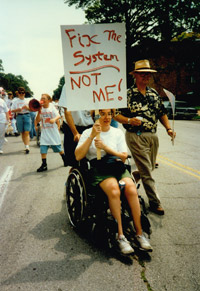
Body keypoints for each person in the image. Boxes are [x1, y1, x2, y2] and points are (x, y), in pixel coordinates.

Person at [75, 109, 152, 255]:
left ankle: (139, 234)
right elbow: (78, 156)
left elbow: (123, 156)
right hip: (98, 168)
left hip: (116, 165)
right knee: (114, 189)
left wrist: (105, 148)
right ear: (95, 116)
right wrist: (91, 136)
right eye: (102, 114)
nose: (107, 117)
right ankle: (120, 236)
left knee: (131, 188)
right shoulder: (86, 132)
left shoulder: (117, 132)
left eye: (109, 114)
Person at [115, 59, 176, 215]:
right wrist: (129, 120)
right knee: (147, 172)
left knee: (148, 168)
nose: (145, 77)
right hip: (135, 135)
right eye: (142, 74)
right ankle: (155, 203)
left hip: (152, 136)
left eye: (148, 74)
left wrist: (168, 128)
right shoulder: (127, 94)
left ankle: (129, 180)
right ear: (135, 75)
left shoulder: (153, 93)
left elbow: (162, 113)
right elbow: (115, 114)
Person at [58, 84, 94, 167]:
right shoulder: (69, 84)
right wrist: (75, 133)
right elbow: (67, 111)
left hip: (90, 126)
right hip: (73, 127)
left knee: (93, 158)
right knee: (74, 162)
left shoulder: (94, 81)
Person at [35, 93, 66, 172]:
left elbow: (58, 116)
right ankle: (44, 165)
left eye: (44, 98)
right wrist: (39, 112)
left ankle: (64, 159)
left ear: (49, 100)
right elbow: (37, 120)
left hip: (53, 131)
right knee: (43, 148)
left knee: (58, 148)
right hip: (45, 132)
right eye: (41, 98)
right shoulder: (40, 109)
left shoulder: (52, 107)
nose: (42, 100)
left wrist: (54, 119)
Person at [11, 87, 31, 153]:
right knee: (22, 132)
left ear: (24, 93)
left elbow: (32, 109)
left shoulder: (27, 101)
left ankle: (27, 146)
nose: (22, 94)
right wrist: (17, 110)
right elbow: (12, 110)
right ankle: (26, 145)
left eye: (23, 93)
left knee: (26, 132)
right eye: (20, 93)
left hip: (27, 115)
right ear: (18, 94)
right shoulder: (15, 101)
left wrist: (27, 108)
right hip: (19, 116)